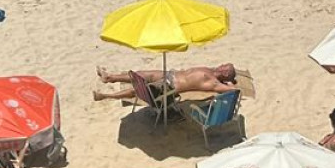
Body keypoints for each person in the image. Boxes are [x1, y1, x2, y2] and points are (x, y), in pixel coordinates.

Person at [92, 63, 238, 101]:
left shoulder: (213, 82)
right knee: (140, 75)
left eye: (225, 66)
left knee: (137, 91)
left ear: (225, 72)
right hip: (170, 74)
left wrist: (231, 84)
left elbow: (231, 90)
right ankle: (109, 78)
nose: (221, 65)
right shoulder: (210, 70)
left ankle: (104, 96)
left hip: (169, 87)